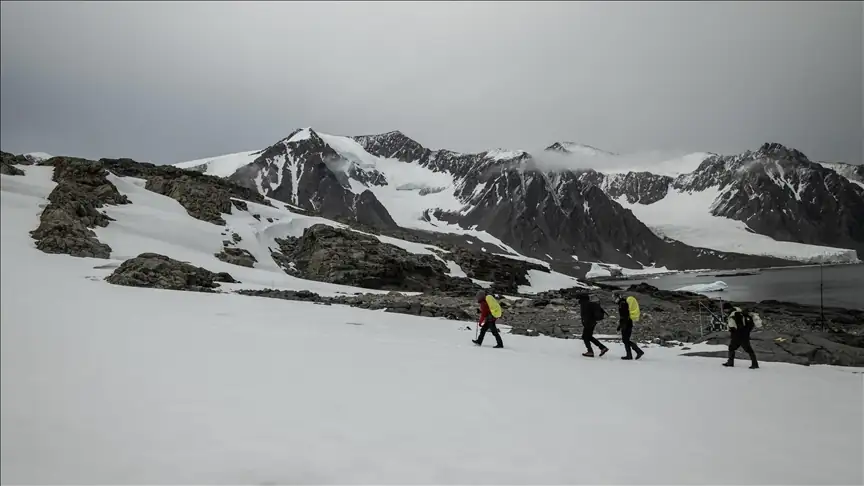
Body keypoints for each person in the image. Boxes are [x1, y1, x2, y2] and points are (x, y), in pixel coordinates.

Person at [722, 304, 760, 369]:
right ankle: (754, 363)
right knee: (744, 349)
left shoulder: (734, 314)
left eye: (725, 309)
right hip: (743, 334)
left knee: (734, 348)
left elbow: (737, 325)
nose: (724, 311)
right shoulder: (738, 312)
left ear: (728, 308)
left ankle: (730, 362)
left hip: (739, 334)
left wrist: (731, 328)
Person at [614, 292, 644, 360]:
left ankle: (637, 351)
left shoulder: (622, 304)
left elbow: (624, 316)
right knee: (626, 340)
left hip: (626, 324)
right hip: (627, 323)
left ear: (618, 297)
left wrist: (621, 325)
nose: (614, 299)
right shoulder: (623, 303)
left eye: (615, 298)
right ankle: (630, 354)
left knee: (625, 340)